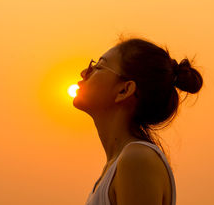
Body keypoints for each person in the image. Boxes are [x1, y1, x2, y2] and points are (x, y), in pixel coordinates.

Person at [73, 35, 204, 205]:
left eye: (98, 66)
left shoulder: (137, 160)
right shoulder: (120, 164)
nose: (84, 73)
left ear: (124, 90)